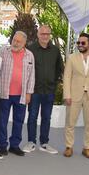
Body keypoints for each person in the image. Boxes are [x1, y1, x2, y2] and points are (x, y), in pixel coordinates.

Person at [23, 25, 63, 154]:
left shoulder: (55, 50)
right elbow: (26, 70)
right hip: (34, 90)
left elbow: (59, 68)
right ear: (38, 34)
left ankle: (44, 143)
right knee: (32, 116)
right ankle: (31, 142)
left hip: (49, 91)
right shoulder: (30, 49)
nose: (45, 36)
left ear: (49, 35)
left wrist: (54, 83)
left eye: (47, 34)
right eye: (42, 33)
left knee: (47, 117)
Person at [0, 31, 35, 156]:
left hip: (21, 94)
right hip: (4, 93)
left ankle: (14, 145)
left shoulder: (29, 55)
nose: (15, 42)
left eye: (19, 41)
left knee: (18, 121)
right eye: (14, 39)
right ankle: (2, 145)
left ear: (24, 43)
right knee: (2, 121)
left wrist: (29, 93)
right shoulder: (3, 52)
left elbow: (32, 76)